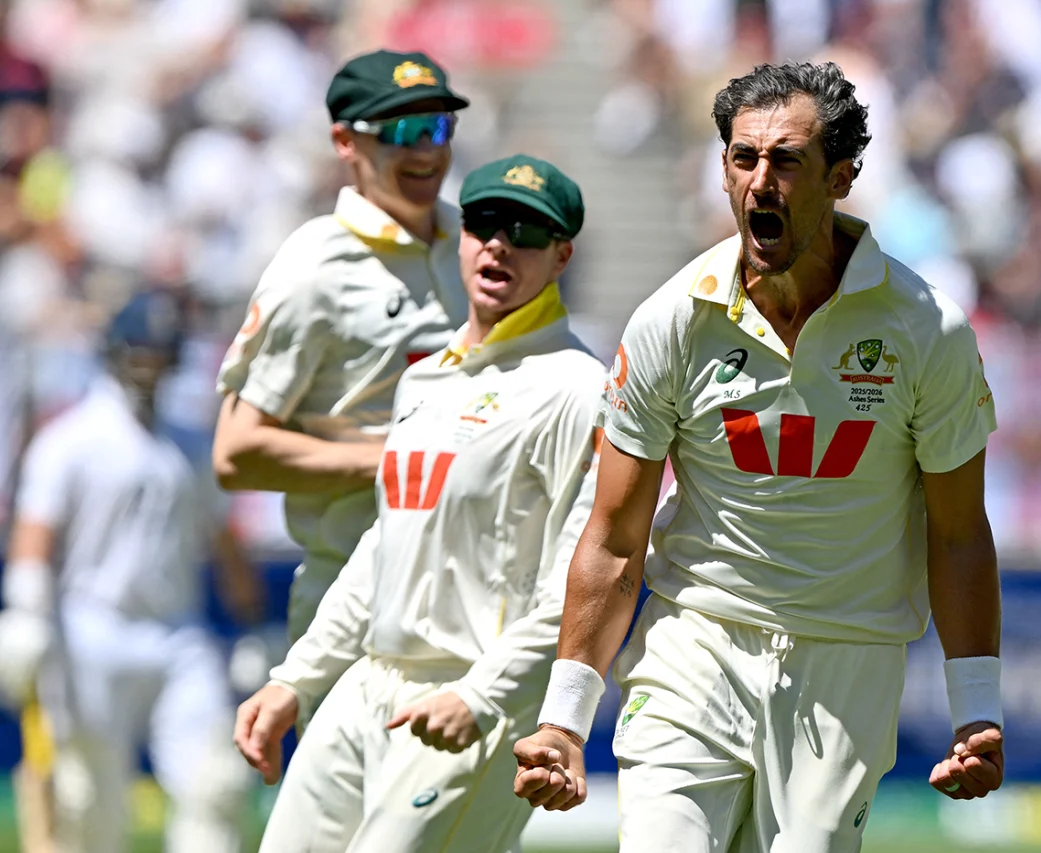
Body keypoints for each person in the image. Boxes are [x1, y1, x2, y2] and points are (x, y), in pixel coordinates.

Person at [514, 61, 1005, 851]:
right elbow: (612, 536)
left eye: (786, 161)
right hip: (694, 639)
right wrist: (565, 719)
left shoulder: (926, 330)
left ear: (841, 177)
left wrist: (977, 706)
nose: (759, 182)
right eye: (743, 159)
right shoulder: (672, 319)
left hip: (847, 658)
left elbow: (958, 533)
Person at [232, 155, 604, 852]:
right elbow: (383, 551)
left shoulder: (579, 388)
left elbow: (580, 582)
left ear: (561, 255)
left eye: (525, 231)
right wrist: (298, 679)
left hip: (469, 702)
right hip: (369, 681)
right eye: (486, 222)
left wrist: (483, 695)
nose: (499, 242)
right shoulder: (426, 379)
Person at [213, 49, 471, 645]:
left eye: (440, 126)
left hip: (473, 592)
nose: (427, 150)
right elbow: (236, 452)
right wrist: (392, 458)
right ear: (345, 141)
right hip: (355, 597)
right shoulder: (315, 267)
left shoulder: (474, 244)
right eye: (404, 130)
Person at [0, 290, 262, 853]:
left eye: (159, 354)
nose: (149, 366)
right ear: (114, 352)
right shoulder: (70, 440)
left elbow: (224, 541)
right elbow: (34, 535)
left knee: (215, 787)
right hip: (88, 633)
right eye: (140, 353)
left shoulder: (188, 440)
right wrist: (25, 612)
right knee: (85, 804)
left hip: (177, 633)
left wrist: (249, 625)